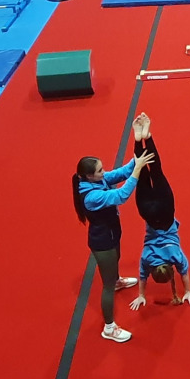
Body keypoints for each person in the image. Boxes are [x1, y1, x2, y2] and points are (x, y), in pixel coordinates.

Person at [71, 145, 156, 343]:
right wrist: (137, 171)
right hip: (103, 242)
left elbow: (118, 174)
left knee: (116, 258)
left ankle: (117, 280)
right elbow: (121, 195)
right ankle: (109, 327)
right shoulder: (91, 197)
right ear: (89, 176)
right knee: (107, 286)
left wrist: (136, 159)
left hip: (111, 234)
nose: (104, 172)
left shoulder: (97, 180)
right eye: (100, 170)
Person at [126, 113, 190, 310]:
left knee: (156, 170)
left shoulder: (175, 255)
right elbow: (142, 276)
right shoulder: (147, 258)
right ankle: (137, 138)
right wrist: (141, 295)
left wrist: (188, 292)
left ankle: (148, 136)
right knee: (142, 174)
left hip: (166, 212)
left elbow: (184, 273)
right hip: (148, 212)